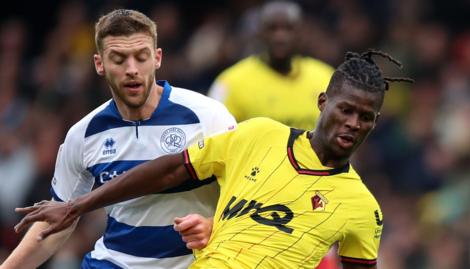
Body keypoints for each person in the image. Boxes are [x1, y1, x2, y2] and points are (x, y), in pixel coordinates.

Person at [12, 50, 413, 268]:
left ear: (375, 124)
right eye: (346, 110)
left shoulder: (362, 209)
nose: (353, 123)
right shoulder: (258, 135)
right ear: (324, 102)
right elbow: (171, 169)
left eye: (365, 118)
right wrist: (78, 205)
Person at [1, 9, 236, 269]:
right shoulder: (84, 133)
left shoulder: (206, 116)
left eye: (141, 57)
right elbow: (58, 219)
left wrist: (214, 226)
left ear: (157, 58)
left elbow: (252, 194)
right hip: (113, 263)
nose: (132, 69)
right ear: (99, 64)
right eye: (119, 59)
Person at [208, 0, 334, 130]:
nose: (280, 36)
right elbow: (213, 134)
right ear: (260, 33)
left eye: (288, 28)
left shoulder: (326, 78)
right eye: (272, 28)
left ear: (300, 33)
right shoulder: (230, 84)